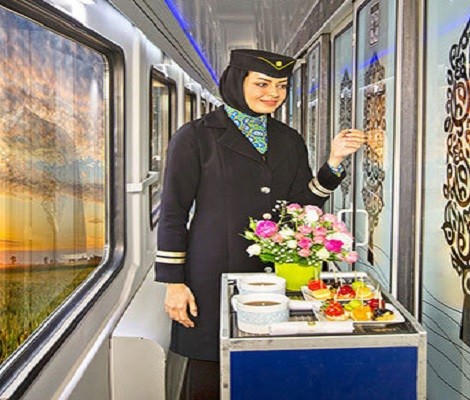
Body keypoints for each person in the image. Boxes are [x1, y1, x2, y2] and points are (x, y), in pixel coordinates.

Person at [155, 49, 366, 399]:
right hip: (213, 274)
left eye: (281, 86)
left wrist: (334, 162)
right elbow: (173, 212)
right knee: (211, 370)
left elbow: (301, 206)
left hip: (275, 270)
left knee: (271, 367)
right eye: (262, 84)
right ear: (238, 83)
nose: (273, 93)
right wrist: (173, 283)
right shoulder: (195, 137)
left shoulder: (289, 139)